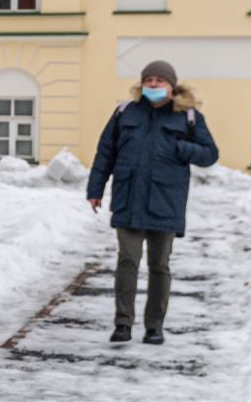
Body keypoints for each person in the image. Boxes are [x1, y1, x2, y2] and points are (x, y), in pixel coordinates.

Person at [85, 60, 219, 343]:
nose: (154, 85)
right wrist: (95, 188)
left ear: (172, 86)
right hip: (129, 199)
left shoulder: (188, 117)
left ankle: (154, 326)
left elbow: (210, 154)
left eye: (160, 80)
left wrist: (181, 148)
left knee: (159, 266)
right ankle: (123, 324)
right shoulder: (125, 113)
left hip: (165, 201)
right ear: (142, 84)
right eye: (150, 80)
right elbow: (105, 153)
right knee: (127, 261)